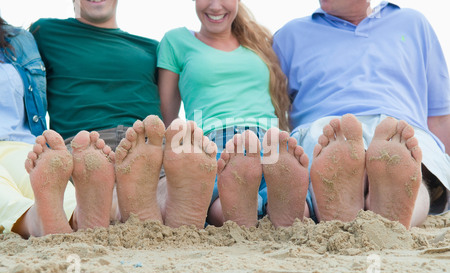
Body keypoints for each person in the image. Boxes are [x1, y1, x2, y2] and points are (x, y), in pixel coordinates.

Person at [273, 0, 450, 229]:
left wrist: (442, 162)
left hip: (402, 128)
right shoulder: (288, 37)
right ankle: (385, 217)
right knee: (330, 155)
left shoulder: (413, 23)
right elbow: (271, 108)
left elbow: (440, 115)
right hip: (326, 129)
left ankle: (381, 214)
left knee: (416, 166)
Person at [156, 0, 310, 228]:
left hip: (269, 137)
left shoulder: (260, 43)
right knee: (219, 199)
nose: (215, 6)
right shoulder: (176, 41)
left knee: (293, 200)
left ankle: (276, 208)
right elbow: (168, 117)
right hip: (213, 140)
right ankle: (240, 210)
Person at [29, 0, 165, 224]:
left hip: (145, 143)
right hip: (84, 145)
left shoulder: (151, 48)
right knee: (94, 175)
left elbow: (167, 110)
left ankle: (127, 206)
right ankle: (132, 206)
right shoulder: (46, 32)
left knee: (166, 182)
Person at [0, 16, 114, 238]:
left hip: (16, 142)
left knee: (40, 179)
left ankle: (78, 215)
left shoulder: (19, 40)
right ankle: (35, 220)